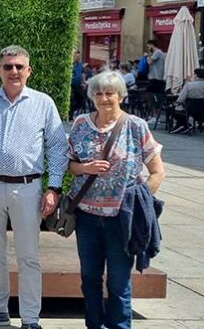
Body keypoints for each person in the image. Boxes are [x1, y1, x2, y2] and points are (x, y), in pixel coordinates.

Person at [0, 45, 68, 329]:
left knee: (28, 256)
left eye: (19, 67)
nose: (14, 71)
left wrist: (54, 188)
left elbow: (57, 147)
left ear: (29, 71)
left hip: (27, 188)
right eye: (8, 67)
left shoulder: (43, 103)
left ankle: (31, 319)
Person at [68, 71, 165, 329]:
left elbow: (157, 172)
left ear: (120, 96)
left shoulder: (135, 125)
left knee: (119, 282)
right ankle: (94, 325)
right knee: (90, 278)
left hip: (121, 218)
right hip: (86, 217)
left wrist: (140, 201)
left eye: (110, 93)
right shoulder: (80, 124)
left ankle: (120, 326)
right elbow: (69, 165)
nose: (104, 98)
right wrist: (85, 168)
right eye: (98, 93)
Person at [171, 68, 204, 133]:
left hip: (190, 108)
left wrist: (175, 103)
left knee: (172, 108)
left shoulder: (189, 85)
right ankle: (182, 125)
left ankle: (184, 124)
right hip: (203, 109)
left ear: (195, 75)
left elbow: (181, 99)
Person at [71, 51, 87, 119]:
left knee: (81, 100)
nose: (78, 58)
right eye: (76, 56)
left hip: (79, 85)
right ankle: (70, 115)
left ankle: (73, 111)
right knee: (72, 100)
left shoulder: (80, 65)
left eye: (79, 56)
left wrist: (84, 82)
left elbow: (83, 74)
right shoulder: (71, 65)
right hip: (71, 86)